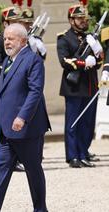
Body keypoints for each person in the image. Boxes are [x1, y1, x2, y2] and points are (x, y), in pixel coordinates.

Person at [0, 23, 50, 212]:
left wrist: (22, 117)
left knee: (33, 170)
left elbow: (35, 91)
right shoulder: (8, 61)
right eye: (5, 38)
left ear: (23, 41)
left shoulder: (32, 60)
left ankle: (40, 209)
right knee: (1, 168)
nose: (6, 42)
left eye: (11, 39)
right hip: (6, 128)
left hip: (26, 128)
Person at [57, 3, 103, 168]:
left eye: (85, 18)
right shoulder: (64, 38)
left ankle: (83, 153)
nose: (84, 21)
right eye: (80, 18)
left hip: (90, 85)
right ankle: (72, 156)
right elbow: (64, 61)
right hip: (74, 86)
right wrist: (84, 62)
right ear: (71, 20)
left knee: (88, 122)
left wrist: (97, 51)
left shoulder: (90, 37)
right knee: (73, 122)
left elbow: (99, 61)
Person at [0, 6, 25, 172]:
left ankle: (17, 158)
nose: (18, 24)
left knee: (19, 125)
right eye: (14, 22)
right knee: (4, 126)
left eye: (19, 21)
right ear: (5, 23)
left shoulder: (24, 41)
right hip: (5, 90)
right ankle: (3, 160)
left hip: (21, 89)